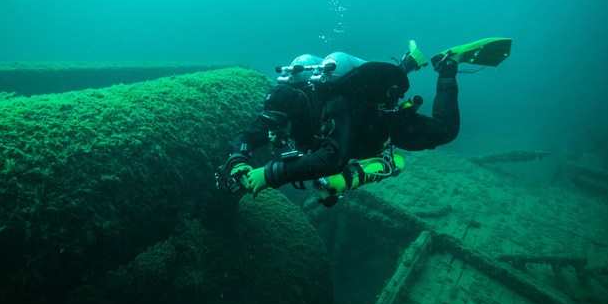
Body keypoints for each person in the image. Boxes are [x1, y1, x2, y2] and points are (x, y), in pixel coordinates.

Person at [216, 38, 512, 206]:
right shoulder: (290, 104)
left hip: (383, 127)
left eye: (283, 125)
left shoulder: (335, 106)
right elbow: (253, 131)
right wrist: (239, 159)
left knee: (445, 131)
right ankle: (407, 64)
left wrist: (269, 174)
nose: (280, 132)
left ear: (297, 111)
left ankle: (448, 65)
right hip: (354, 136)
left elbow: (333, 157)